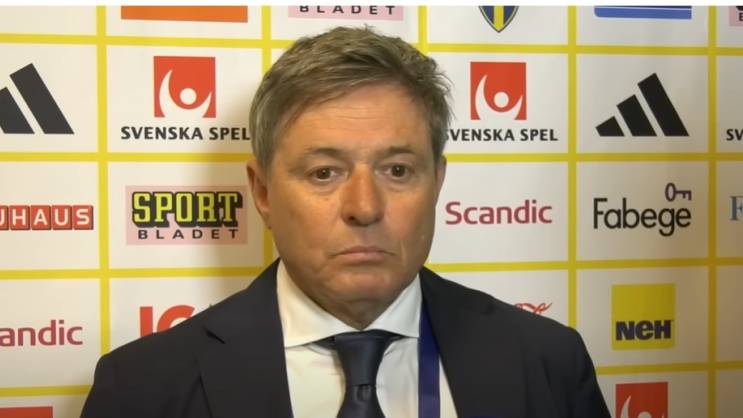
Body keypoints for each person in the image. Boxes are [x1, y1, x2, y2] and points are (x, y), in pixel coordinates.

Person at [81, 26, 610, 418]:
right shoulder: (142, 389)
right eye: (324, 173)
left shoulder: (548, 362)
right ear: (262, 192)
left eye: (397, 170)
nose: (364, 206)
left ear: (437, 182)